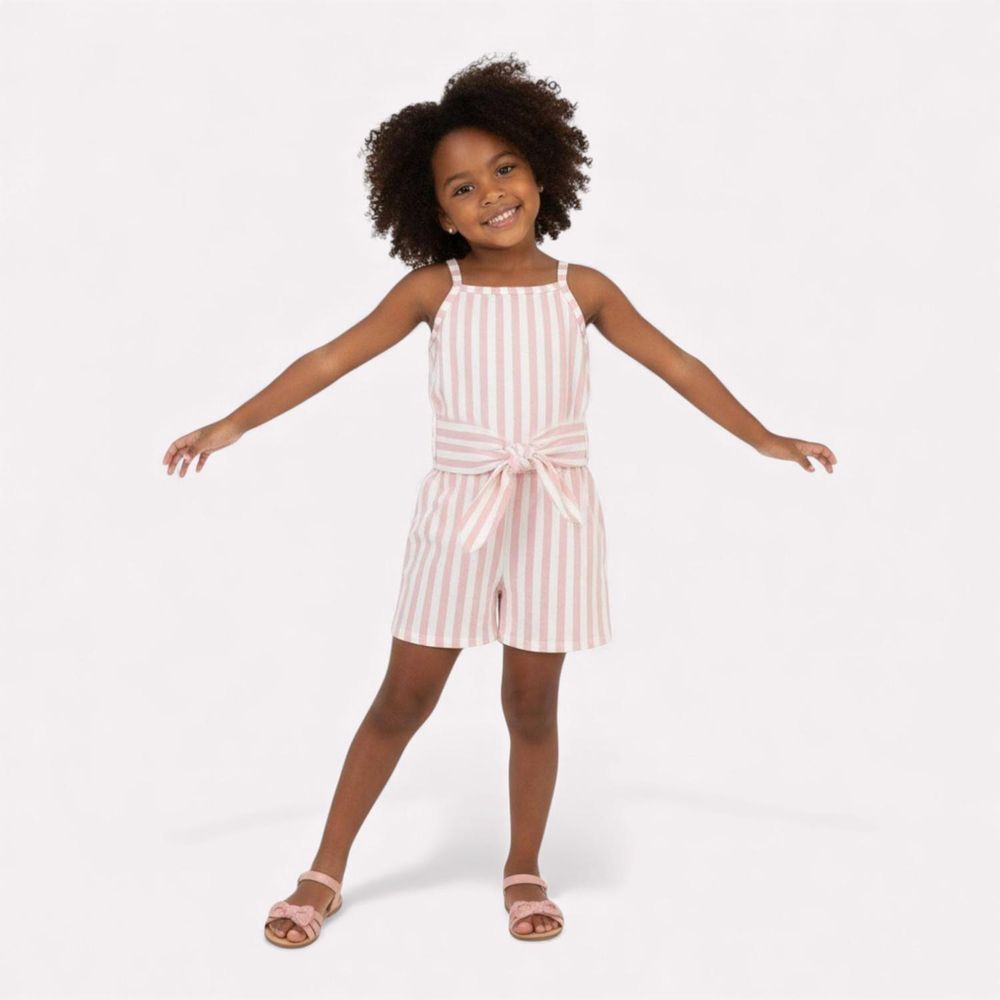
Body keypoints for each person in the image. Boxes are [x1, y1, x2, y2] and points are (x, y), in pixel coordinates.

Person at [162, 53, 837, 947]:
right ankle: (322, 871)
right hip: (460, 513)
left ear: (541, 172)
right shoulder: (433, 290)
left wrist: (762, 437)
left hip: (556, 515)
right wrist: (234, 423)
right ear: (439, 215)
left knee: (531, 705)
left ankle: (523, 866)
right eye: (463, 188)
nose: (491, 195)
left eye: (504, 170)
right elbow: (328, 359)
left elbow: (678, 365)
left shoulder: (582, 290)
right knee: (402, 699)